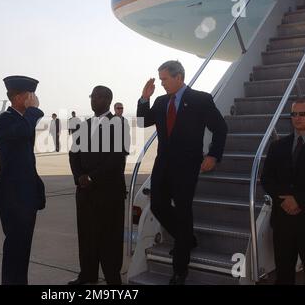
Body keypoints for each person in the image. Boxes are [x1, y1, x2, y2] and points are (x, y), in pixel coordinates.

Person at [137, 60, 227, 285]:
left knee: (183, 210)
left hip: (187, 166)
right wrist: (144, 98)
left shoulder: (200, 99)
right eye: (160, 80)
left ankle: (180, 269)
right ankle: (186, 239)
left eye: (165, 79)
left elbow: (220, 127)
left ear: (179, 77)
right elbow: (141, 122)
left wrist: (213, 155)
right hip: (163, 165)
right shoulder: (159, 102)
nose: (162, 84)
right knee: (157, 205)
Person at [0, 75, 46, 285]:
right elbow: (22, 132)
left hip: (26, 196)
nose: (36, 99)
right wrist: (33, 111)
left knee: (23, 249)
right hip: (13, 198)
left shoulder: (20, 120)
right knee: (15, 249)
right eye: (32, 95)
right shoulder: (6, 120)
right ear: (22, 97)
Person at [68, 86, 128, 285]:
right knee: (86, 236)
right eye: (92, 96)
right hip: (85, 193)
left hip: (108, 193)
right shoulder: (83, 125)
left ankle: (113, 279)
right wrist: (79, 177)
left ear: (108, 99)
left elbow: (116, 160)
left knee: (109, 239)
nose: (93, 100)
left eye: (98, 96)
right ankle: (87, 275)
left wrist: (91, 177)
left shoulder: (119, 124)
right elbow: (73, 154)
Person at [261, 97, 305, 285]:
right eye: (293, 114)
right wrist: (283, 200)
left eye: (303, 114)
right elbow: (266, 178)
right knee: (283, 273)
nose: (297, 118)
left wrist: (298, 200)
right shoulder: (278, 146)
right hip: (283, 221)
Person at [113, 102, 131, 174]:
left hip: (123, 150)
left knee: (121, 169)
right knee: (114, 170)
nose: (120, 110)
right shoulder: (110, 120)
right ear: (114, 109)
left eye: (122, 108)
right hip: (113, 151)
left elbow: (127, 135)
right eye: (118, 108)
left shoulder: (125, 120)